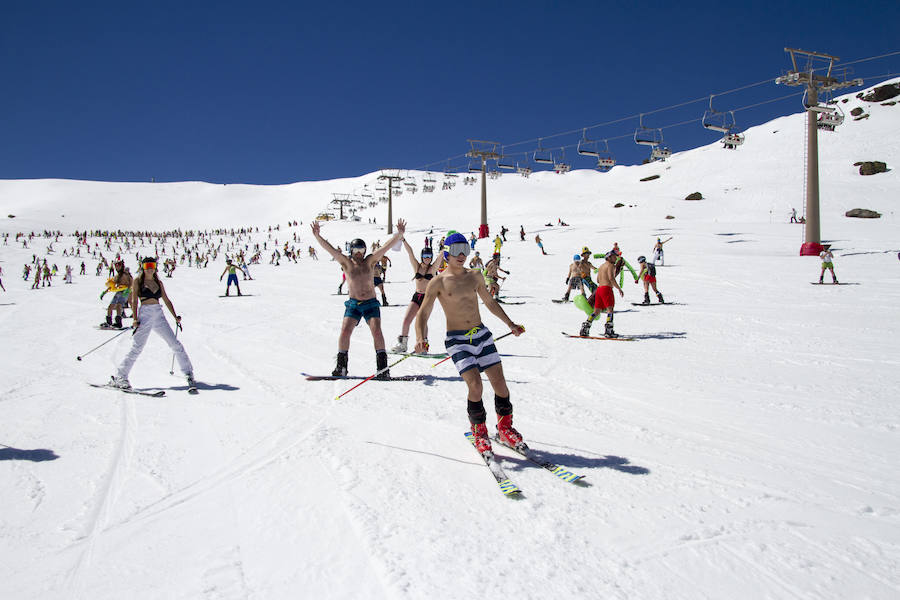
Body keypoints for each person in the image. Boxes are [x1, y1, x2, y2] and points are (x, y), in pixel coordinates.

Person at [413, 231, 526, 454]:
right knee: (475, 385)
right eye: (456, 250)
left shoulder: (475, 275)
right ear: (446, 253)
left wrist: (510, 324)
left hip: (481, 335)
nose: (462, 254)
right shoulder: (437, 282)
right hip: (458, 340)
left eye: (465, 249)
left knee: (500, 383)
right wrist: (420, 338)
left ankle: (505, 428)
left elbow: (490, 303)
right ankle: (480, 431)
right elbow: (423, 313)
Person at [311, 219, 406, 378]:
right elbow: (331, 250)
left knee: (376, 331)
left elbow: (384, 248)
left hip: (370, 304)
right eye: (356, 249)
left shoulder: (369, 261)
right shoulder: (346, 263)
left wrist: (399, 234)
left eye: (361, 249)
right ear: (351, 250)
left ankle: (382, 368)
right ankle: (341, 367)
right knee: (345, 331)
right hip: (353, 305)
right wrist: (317, 236)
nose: (359, 252)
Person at [110, 257, 195, 390]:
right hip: (145, 313)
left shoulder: (158, 282)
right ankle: (120, 376)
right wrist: (135, 318)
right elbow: (134, 300)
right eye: (147, 265)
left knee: (174, 343)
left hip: (158, 313)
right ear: (143, 267)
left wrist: (174, 316)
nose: (150, 268)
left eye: (153, 265)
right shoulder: (138, 281)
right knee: (138, 346)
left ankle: (188, 372)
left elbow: (166, 300)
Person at [390, 240, 439, 352]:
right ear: (422, 256)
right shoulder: (417, 267)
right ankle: (402, 344)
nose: (427, 258)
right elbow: (410, 253)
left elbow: (441, 256)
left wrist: (447, 244)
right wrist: (403, 240)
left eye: (429, 256)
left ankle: (423, 347)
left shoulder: (433, 269)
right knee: (407, 319)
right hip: (416, 296)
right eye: (425, 256)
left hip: (427, 298)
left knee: (422, 322)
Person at [580, 252, 624, 338]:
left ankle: (585, 327)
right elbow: (611, 278)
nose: (616, 258)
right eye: (614, 257)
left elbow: (598, 280)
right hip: (606, 289)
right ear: (609, 257)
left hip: (599, 290)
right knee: (610, 309)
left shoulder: (601, 266)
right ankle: (609, 330)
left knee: (596, 311)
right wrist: (619, 288)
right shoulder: (610, 266)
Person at [102, 260, 132, 328]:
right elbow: (112, 285)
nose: (117, 267)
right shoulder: (117, 276)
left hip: (124, 291)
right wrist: (105, 292)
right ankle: (108, 321)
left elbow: (131, 282)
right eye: (116, 266)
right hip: (119, 291)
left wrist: (128, 290)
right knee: (111, 306)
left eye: (118, 265)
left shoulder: (125, 274)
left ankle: (118, 322)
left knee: (119, 306)